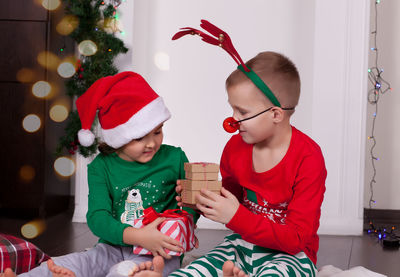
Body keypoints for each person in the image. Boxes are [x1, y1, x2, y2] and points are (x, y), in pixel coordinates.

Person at [3, 71, 199, 277]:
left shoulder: (175, 158)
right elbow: (97, 217)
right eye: (140, 137)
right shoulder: (101, 167)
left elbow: (192, 206)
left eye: (158, 132)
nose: (152, 143)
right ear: (120, 135)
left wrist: (187, 225)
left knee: (129, 272)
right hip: (112, 247)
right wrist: (137, 236)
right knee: (76, 262)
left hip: (158, 252)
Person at [171, 51, 327, 276]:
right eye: (232, 108)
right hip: (240, 244)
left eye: (242, 111)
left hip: (291, 255)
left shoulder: (308, 158)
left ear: (275, 114)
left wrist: (235, 216)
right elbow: (231, 201)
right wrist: (202, 202)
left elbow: (297, 239)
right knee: (192, 272)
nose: (233, 119)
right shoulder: (235, 148)